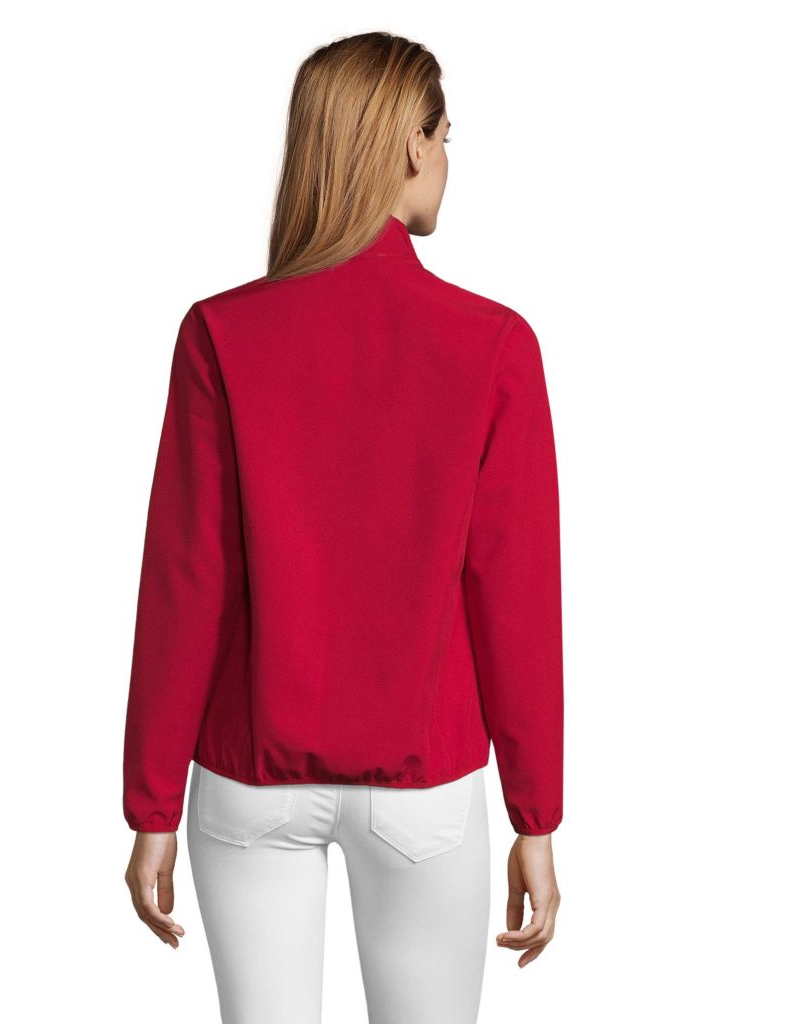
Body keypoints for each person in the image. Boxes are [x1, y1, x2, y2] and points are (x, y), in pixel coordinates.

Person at [122, 30, 563, 1024]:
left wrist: (151, 805)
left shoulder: (220, 334)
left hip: (248, 775)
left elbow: (187, 579)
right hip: (424, 783)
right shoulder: (494, 345)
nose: (447, 159)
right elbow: (516, 595)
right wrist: (535, 816)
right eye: (446, 136)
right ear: (412, 144)